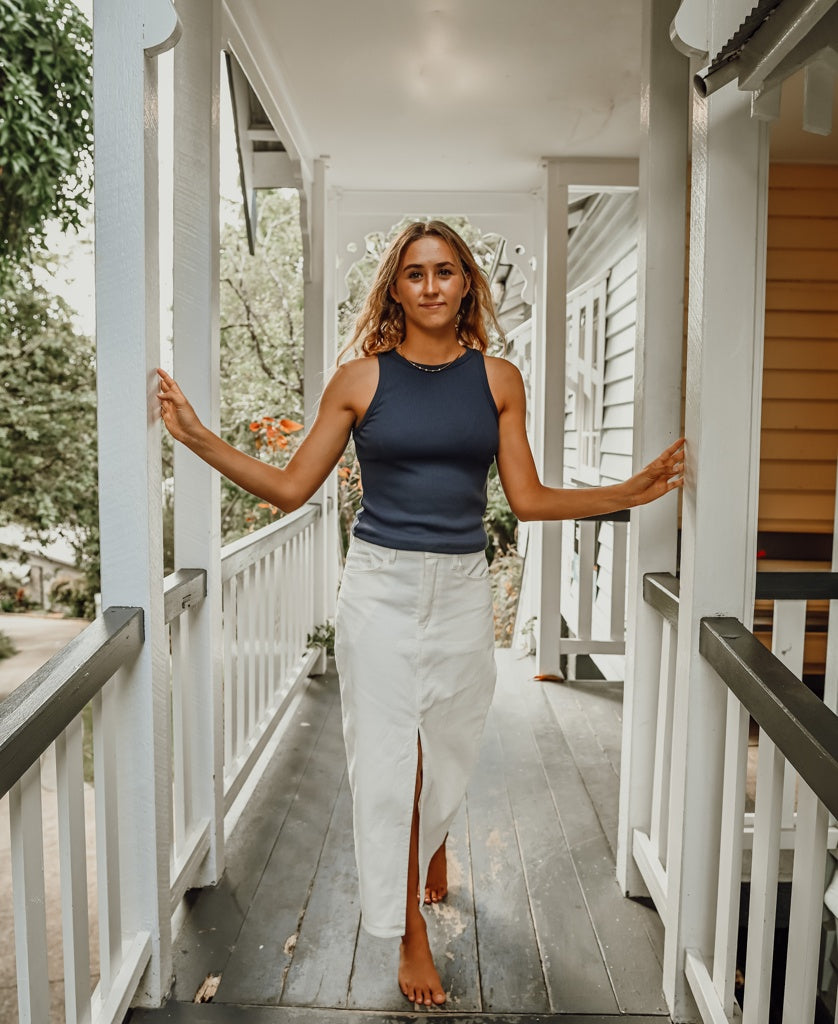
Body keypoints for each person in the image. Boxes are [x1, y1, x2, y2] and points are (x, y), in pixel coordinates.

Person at [157, 219, 684, 1008]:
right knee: (387, 759)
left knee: (451, 742)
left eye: (445, 270)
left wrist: (629, 491)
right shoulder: (360, 380)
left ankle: (428, 839)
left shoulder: (498, 378)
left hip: (463, 585)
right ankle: (407, 927)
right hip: (379, 586)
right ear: (395, 289)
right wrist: (197, 437)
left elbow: (529, 498)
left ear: (467, 282)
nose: (432, 285)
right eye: (415, 273)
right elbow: (293, 488)